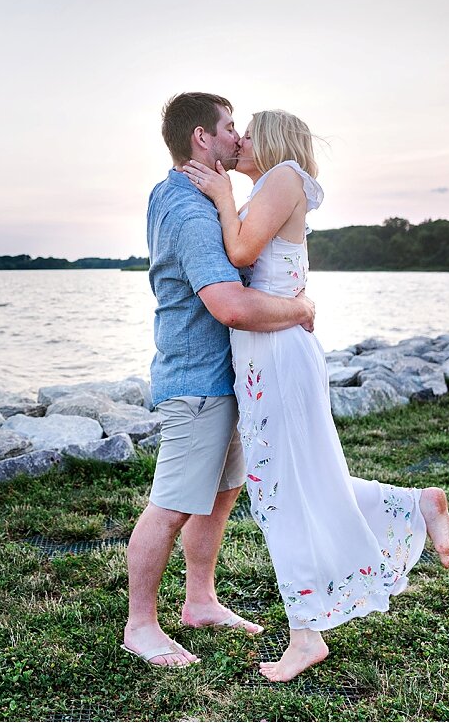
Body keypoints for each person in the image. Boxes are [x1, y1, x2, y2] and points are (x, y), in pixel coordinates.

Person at [179, 108, 449, 682]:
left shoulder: (282, 176)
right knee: (295, 481)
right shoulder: (271, 185)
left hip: (277, 354)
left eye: (249, 132)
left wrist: (222, 194)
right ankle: (413, 506)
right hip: (268, 354)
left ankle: (306, 635)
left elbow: (239, 255)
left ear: (275, 139)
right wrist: (228, 193)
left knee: (280, 490)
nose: (241, 141)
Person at [122, 93, 317, 668]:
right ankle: (141, 626)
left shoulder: (203, 197)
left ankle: (200, 601)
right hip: (198, 379)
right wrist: (301, 310)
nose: (238, 138)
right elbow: (229, 305)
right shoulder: (187, 208)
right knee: (174, 503)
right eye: (230, 128)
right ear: (202, 138)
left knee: (218, 496)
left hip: (229, 376)